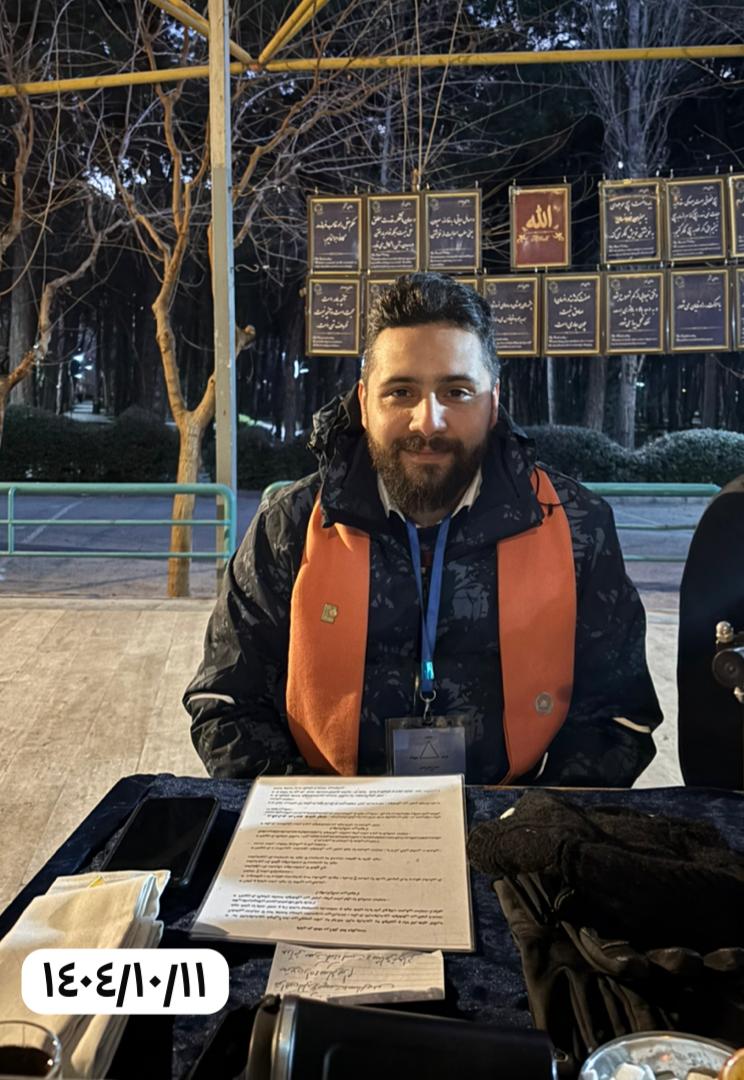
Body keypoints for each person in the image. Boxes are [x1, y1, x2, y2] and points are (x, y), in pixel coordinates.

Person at [184, 272, 662, 786]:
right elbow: (225, 702)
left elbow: (618, 715)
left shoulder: (576, 527)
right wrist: (315, 812)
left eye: (456, 391)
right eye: (401, 392)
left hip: (517, 818)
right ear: (364, 402)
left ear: (493, 403)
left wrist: (534, 822)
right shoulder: (291, 527)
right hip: (331, 814)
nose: (427, 422)